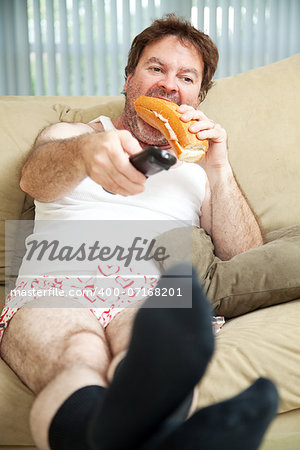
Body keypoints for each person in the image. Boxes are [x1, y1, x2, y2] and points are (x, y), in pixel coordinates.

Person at [0, 14, 277, 450]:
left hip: (153, 288)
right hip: (57, 286)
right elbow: (34, 180)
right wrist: (85, 153)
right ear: (129, 79)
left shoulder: (200, 170)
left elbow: (243, 254)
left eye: (186, 77)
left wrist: (218, 168)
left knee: (149, 358)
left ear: (197, 97)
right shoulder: (73, 136)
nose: (170, 85)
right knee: (78, 354)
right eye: (156, 68)